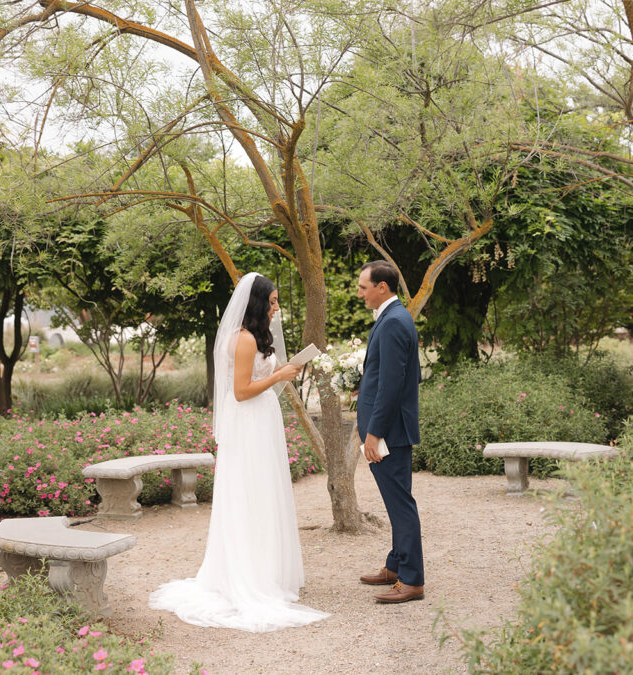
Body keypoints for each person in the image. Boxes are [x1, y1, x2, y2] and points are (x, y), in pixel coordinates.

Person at [148, 273, 330, 632]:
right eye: (273, 302)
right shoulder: (244, 339)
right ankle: (250, 575)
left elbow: (258, 381)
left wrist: (283, 371)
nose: (277, 308)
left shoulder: (256, 337)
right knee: (250, 495)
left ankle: (269, 569)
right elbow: (242, 392)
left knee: (265, 494)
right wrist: (278, 377)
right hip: (249, 424)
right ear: (258, 305)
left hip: (262, 421)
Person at [355, 260, 425, 603]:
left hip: (390, 433)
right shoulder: (393, 318)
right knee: (397, 502)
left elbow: (394, 385)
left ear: (382, 287)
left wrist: (374, 431)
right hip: (391, 429)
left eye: (363, 287)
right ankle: (396, 566)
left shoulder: (395, 321)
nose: (360, 293)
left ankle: (412, 580)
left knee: (401, 506)